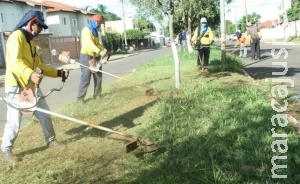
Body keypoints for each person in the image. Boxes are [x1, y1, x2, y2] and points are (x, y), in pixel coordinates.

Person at [1, 10, 69, 163]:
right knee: (14, 121)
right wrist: (30, 74)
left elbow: (39, 65)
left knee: (44, 114)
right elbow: (14, 62)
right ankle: (5, 151)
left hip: (30, 87)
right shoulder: (16, 37)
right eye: (40, 26)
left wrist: (58, 73)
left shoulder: (30, 42)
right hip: (16, 86)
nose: (42, 30)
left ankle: (51, 141)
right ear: (32, 23)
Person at [77, 14, 107, 104]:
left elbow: (97, 43)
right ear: (92, 22)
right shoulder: (86, 30)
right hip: (86, 56)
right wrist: (99, 51)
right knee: (86, 77)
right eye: (97, 23)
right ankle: (80, 98)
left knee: (98, 76)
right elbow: (90, 44)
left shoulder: (95, 31)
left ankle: (97, 94)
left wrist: (104, 49)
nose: (98, 24)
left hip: (95, 55)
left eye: (99, 23)